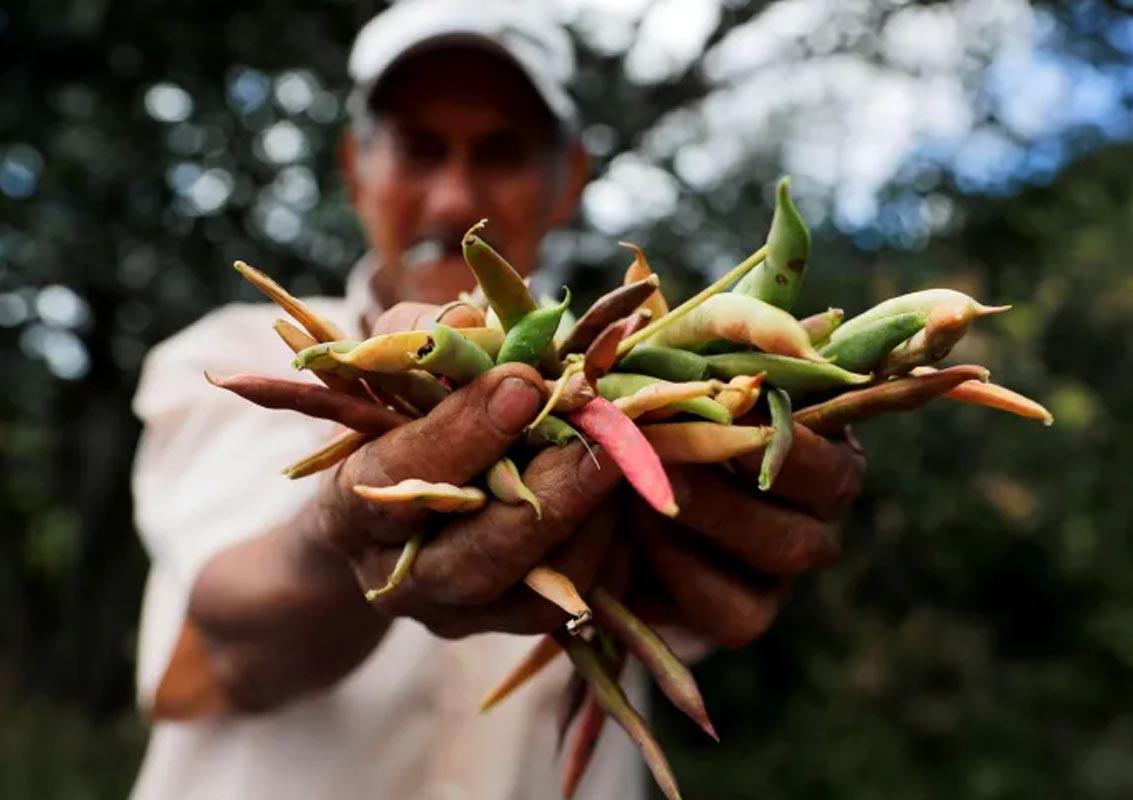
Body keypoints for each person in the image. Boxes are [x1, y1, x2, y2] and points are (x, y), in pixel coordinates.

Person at [129, 2, 865, 798]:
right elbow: (232, 648)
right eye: (419, 149)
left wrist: (742, 497)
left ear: (568, 181)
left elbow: (698, 606)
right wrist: (336, 535)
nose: (453, 201)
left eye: (502, 152)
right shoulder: (226, 356)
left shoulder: (644, 387)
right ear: (354, 170)